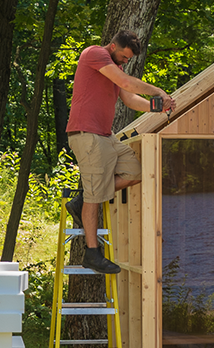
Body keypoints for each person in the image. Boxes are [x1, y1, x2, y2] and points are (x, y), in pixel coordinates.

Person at [65, 30, 175, 274]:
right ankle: (92, 253)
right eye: (124, 57)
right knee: (94, 196)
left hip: (106, 135)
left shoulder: (116, 69)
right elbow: (126, 83)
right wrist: (158, 91)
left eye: (128, 59)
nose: (126, 61)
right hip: (87, 134)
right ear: (113, 46)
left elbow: (130, 99)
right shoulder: (94, 54)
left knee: (134, 171)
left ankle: (82, 200)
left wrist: (158, 107)